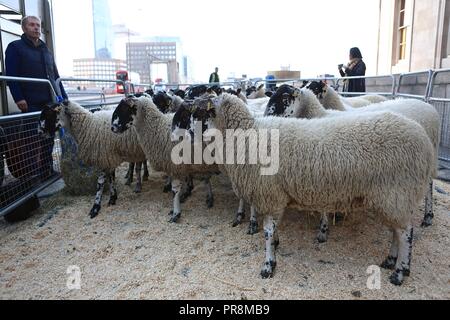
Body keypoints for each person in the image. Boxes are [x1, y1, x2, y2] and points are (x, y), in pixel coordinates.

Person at [5, 16, 67, 180]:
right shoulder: (15, 47)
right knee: (31, 138)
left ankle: (46, 171)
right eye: (32, 25)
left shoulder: (46, 51)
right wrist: (18, 97)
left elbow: (55, 77)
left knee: (49, 137)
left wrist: (64, 98)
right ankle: (30, 174)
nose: (36, 28)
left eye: (38, 25)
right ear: (24, 29)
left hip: (48, 102)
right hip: (29, 101)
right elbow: (11, 75)